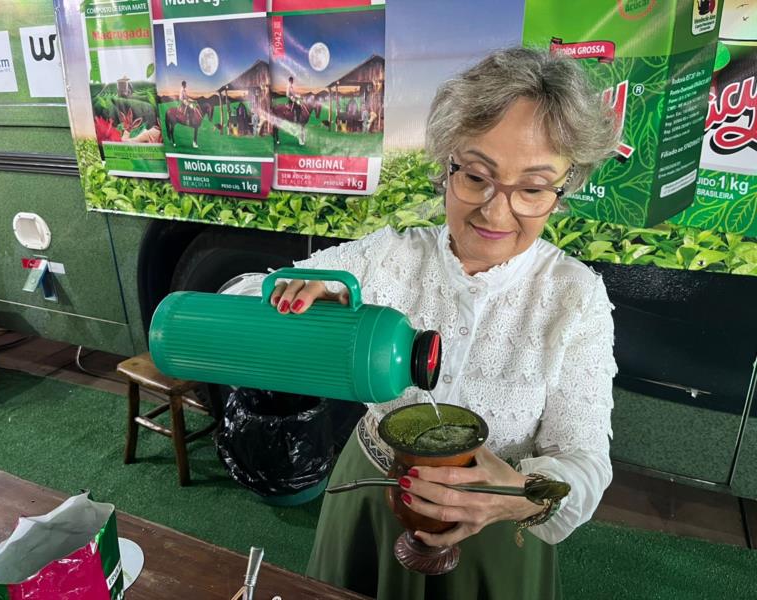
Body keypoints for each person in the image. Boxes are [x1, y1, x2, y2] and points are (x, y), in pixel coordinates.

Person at [226, 47, 620, 599]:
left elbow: (584, 458)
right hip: (373, 500)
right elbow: (239, 298)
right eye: (476, 176)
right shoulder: (386, 259)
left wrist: (522, 491)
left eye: (532, 189)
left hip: (498, 527)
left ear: (564, 187)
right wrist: (303, 308)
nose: (495, 211)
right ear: (447, 166)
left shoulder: (573, 297)